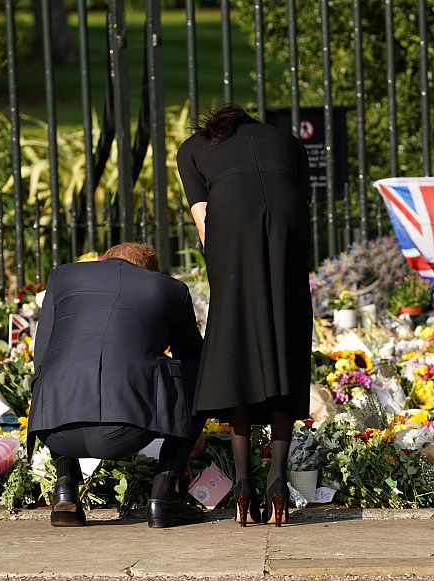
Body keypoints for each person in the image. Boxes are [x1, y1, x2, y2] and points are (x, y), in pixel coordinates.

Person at [177, 104, 312, 527]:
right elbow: (300, 201)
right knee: (284, 333)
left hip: (230, 221)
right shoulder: (288, 143)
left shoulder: (194, 148)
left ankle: (241, 483)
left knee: (236, 338)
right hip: (288, 223)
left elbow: (203, 221)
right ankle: (277, 479)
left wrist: (227, 278)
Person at [28, 243, 205, 528]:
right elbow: (193, 360)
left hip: (54, 431)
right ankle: (164, 493)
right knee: (196, 364)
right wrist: (189, 427)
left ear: (103, 262)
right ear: (149, 272)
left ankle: (65, 486)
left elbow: (42, 357)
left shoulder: (62, 277)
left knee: (51, 367)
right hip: (127, 432)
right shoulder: (170, 289)